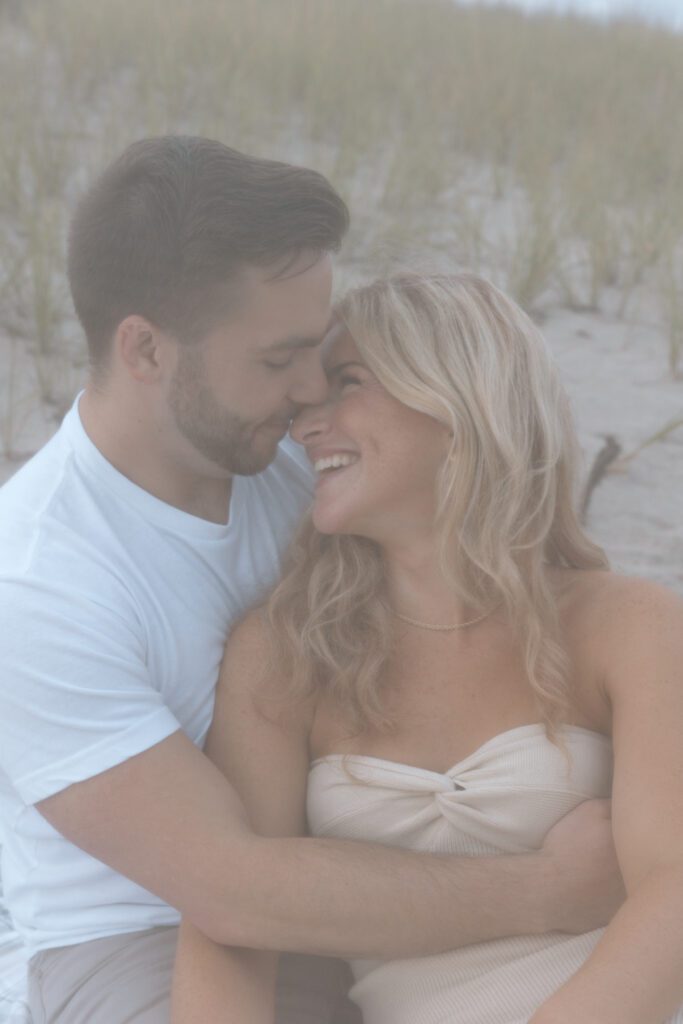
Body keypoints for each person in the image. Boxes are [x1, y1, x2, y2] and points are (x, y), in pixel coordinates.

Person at [0, 138, 622, 1024]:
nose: (308, 396)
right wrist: (549, 890)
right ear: (145, 350)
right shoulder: (34, 583)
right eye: (276, 359)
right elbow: (228, 890)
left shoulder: (307, 476)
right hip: (136, 933)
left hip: (363, 895)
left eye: (323, 357)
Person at [172, 272, 683, 1024]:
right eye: (304, 404)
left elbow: (673, 893)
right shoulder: (286, 654)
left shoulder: (626, 624)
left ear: (456, 400)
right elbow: (230, 928)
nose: (305, 426)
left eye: (346, 382)